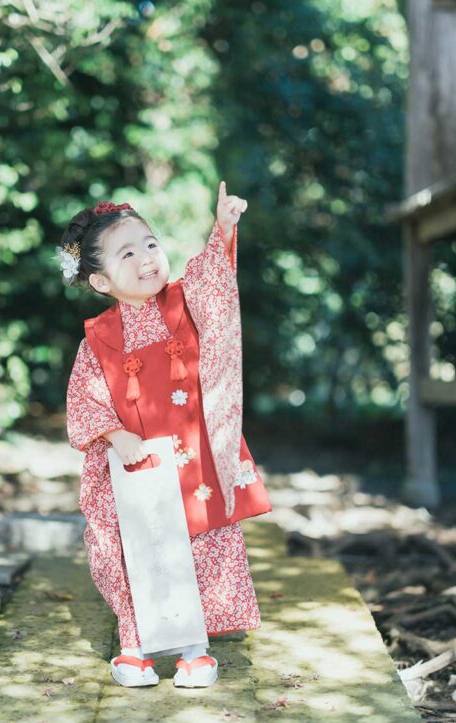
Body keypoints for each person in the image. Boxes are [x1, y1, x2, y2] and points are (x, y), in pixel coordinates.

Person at [63, 182, 271, 688]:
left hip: (190, 454)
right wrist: (113, 433)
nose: (147, 260)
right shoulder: (100, 337)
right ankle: (134, 647)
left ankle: (194, 650)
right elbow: (84, 398)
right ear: (100, 282)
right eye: (127, 253)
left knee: (202, 540)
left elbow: (214, 279)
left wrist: (222, 230)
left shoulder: (186, 303)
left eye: (151, 244)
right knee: (132, 547)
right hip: (136, 462)